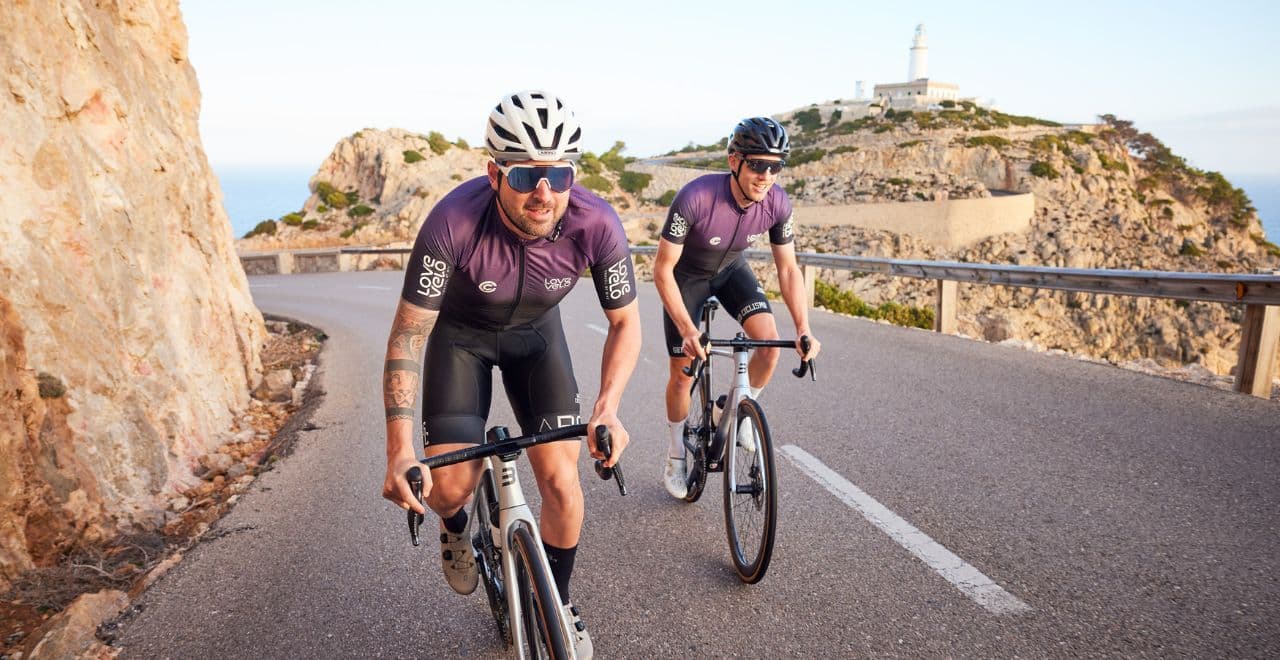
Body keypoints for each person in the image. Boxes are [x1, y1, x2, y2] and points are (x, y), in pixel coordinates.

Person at [380, 90, 641, 658]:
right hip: (461, 338)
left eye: (558, 174)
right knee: (450, 485)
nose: (543, 193)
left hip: (536, 338)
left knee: (562, 483)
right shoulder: (452, 221)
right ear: (494, 172)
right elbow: (407, 337)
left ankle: (558, 604)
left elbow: (625, 325)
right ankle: (456, 531)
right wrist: (400, 451)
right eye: (525, 176)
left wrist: (607, 409)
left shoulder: (596, 222)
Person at [653, 117, 822, 499]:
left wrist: (803, 328)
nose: (766, 176)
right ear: (734, 161)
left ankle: (734, 408)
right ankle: (676, 454)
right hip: (686, 279)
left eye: (775, 167)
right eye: (758, 165)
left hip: (731, 271)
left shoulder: (777, 202)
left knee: (769, 345)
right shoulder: (695, 197)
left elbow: (788, 268)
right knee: (683, 373)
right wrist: (687, 329)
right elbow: (661, 270)